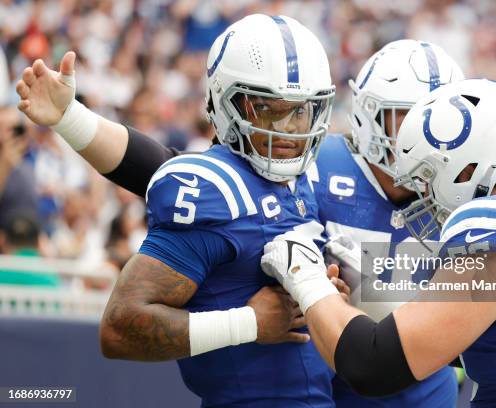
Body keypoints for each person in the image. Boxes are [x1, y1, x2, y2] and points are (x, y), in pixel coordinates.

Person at [17, 36, 465, 406]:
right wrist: (71, 119)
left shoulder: (471, 187)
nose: (421, 135)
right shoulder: (316, 164)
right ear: (369, 113)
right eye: (406, 117)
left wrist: (355, 296)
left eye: (439, 122)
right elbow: (160, 167)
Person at [16, 14, 341, 406]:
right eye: (270, 109)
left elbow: (151, 161)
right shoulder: (211, 190)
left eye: (302, 110)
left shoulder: (319, 175)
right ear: (227, 101)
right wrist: (249, 323)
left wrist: (330, 300)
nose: (290, 128)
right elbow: (118, 330)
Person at [260, 79, 496, 407]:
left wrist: (306, 277)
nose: (423, 194)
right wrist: (373, 292)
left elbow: (371, 365)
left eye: (427, 177)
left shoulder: (494, 241)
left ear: (466, 170)